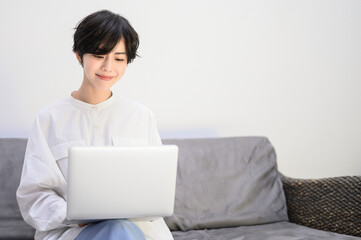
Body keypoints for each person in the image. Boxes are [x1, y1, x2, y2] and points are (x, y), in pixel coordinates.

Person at [16, 9, 174, 240]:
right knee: (115, 231)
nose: (108, 67)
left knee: (121, 229)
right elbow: (35, 197)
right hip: (73, 232)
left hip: (139, 231)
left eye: (119, 58)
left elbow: (155, 190)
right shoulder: (49, 119)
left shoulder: (141, 116)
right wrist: (75, 215)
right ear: (80, 56)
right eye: (99, 55)